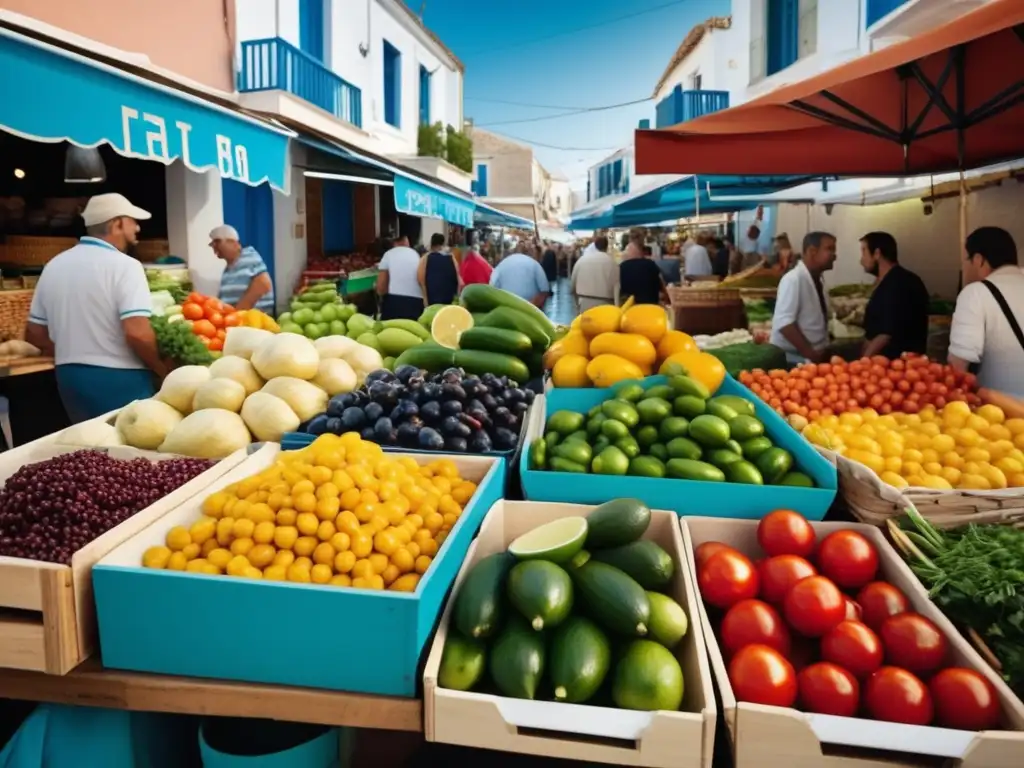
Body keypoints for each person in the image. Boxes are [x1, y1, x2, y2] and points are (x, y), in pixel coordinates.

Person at [25, 193, 166, 423]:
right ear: (117, 223)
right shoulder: (126, 266)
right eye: (133, 221)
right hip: (120, 377)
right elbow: (137, 332)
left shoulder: (54, 265)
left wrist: (72, 351)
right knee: (131, 452)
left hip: (69, 377)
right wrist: (161, 369)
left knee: (91, 451)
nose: (137, 228)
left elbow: (35, 333)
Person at [948, 226, 1024, 397]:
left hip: (1004, 413)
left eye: (966, 260)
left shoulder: (975, 293)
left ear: (978, 259)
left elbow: (958, 367)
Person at [859, 231, 929, 359]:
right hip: (881, 366)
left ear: (877, 254)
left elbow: (886, 333)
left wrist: (862, 363)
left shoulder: (900, 284)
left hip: (898, 367)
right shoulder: (888, 282)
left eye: (864, 252)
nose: (861, 260)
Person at [769, 231, 837, 364]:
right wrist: (811, 354)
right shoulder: (793, 279)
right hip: (793, 360)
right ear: (812, 251)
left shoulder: (819, 279)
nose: (835, 256)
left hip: (812, 356)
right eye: (830, 249)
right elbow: (784, 324)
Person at [209, 225, 275, 312]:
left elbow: (263, 284)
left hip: (252, 320)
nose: (213, 246)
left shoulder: (249, 256)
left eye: (217, 241)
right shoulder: (230, 267)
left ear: (233, 242)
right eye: (212, 243)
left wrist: (237, 313)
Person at [376, 234, 424, 320]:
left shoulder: (388, 255)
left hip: (395, 303)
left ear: (393, 242)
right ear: (406, 241)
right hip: (417, 303)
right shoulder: (416, 255)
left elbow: (381, 289)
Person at [490, 242, 551, 307]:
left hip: (508, 307)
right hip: (528, 308)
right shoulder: (534, 265)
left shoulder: (502, 265)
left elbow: (492, 287)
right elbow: (544, 291)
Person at [570, 235, 617, 313]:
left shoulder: (582, 260)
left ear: (595, 245)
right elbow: (616, 288)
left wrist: (577, 303)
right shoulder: (612, 263)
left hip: (584, 301)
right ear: (607, 246)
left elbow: (572, 286)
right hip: (606, 304)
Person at [619, 237, 669, 306]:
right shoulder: (650, 264)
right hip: (651, 307)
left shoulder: (622, 267)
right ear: (640, 253)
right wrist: (667, 300)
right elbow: (662, 285)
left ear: (628, 254)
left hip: (630, 309)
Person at [418, 233, 462, 306]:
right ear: (443, 243)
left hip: (432, 299)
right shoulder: (451, 258)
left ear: (431, 243)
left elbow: (421, 280)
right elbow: (459, 280)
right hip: (449, 298)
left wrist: (425, 300)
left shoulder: (425, 258)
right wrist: (457, 297)